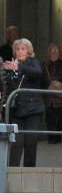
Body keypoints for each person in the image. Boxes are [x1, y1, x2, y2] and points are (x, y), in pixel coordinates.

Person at [2, 38, 46, 167]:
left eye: (23, 49)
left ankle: (29, 171)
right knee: (16, 141)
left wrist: (19, 67)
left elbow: (38, 73)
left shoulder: (33, 63)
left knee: (31, 141)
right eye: (17, 49)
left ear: (28, 51)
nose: (20, 51)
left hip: (33, 109)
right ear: (14, 52)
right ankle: (13, 170)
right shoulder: (9, 65)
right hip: (17, 109)